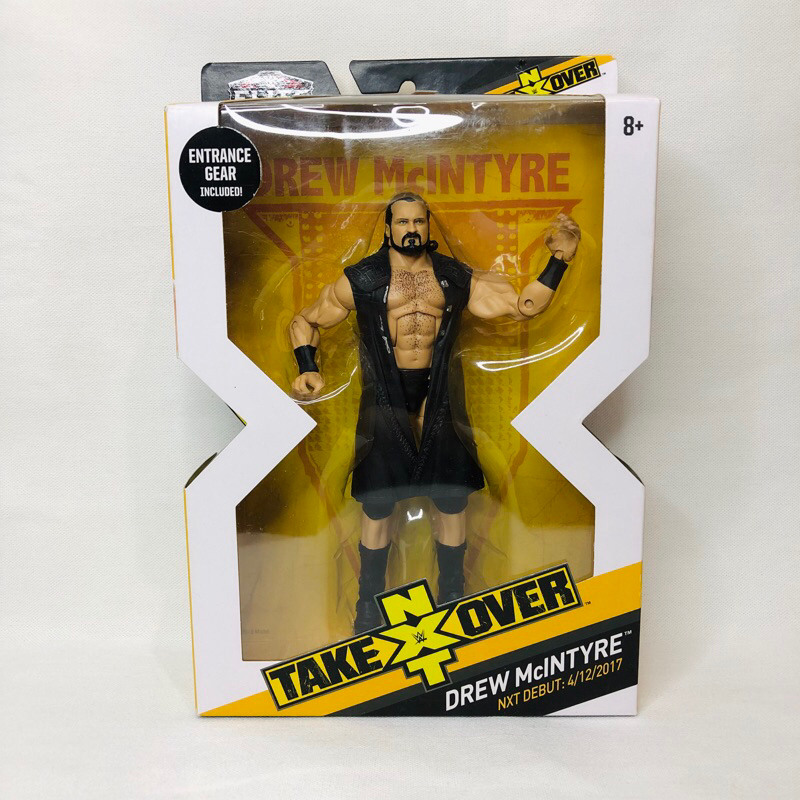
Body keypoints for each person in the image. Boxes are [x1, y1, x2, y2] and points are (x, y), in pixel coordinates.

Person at [289, 192, 580, 633]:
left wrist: (559, 259)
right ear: (388, 228)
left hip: (440, 395)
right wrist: (307, 368)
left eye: (418, 222)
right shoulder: (362, 279)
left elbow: (523, 307)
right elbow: (305, 321)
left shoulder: (453, 277)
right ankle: (367, 608)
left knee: (451, 500)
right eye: (403, 222)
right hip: (384, 399)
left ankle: (453, 598)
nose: (411, 229)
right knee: (377, 505)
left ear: (428, 226)